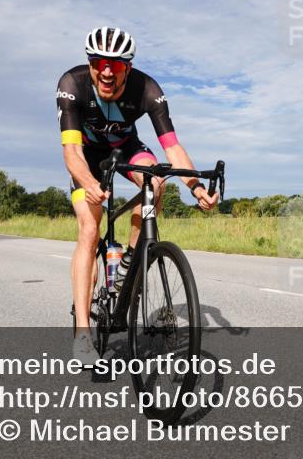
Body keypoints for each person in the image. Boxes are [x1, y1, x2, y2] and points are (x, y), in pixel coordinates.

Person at [56, 26, 218, 363]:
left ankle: (131, 260)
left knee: (156, 181)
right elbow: (71, 153)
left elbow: (172, 147)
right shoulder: (72, 85)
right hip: (86, 157)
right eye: (98, 62)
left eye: (114, 65)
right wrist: (88, 182)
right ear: (90, 64)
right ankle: (82, 334)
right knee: (89, 229)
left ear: (127, 68)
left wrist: (196, 187)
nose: (105, 71)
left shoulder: (148, 89)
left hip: (126, 149)